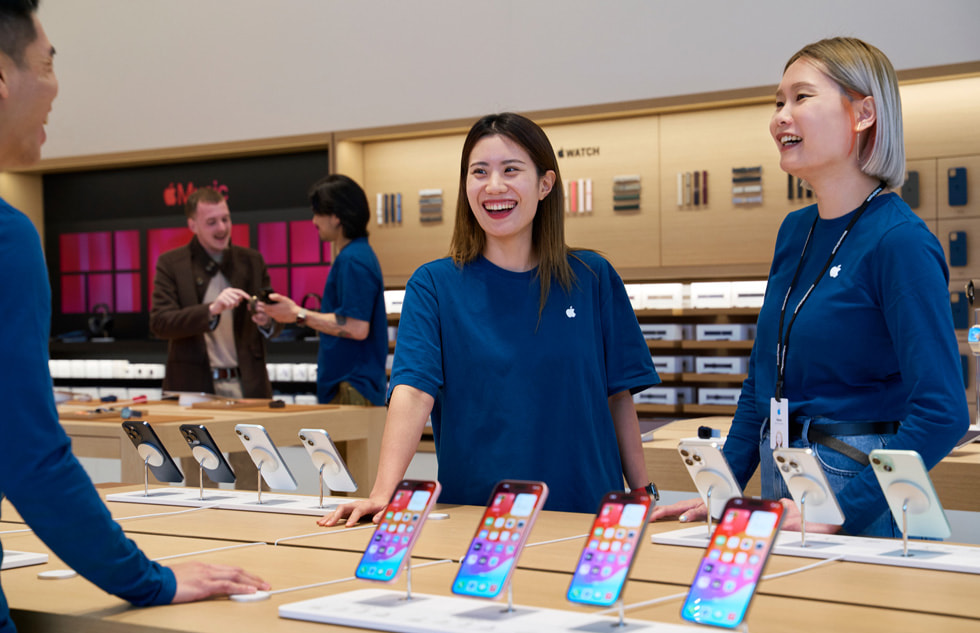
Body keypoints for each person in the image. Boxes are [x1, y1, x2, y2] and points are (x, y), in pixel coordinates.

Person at [0, 2, 267, 633]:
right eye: (47, 63)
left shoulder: (249, 261)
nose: (56, 85)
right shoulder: (8, 238)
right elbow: (29, 454)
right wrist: (147, 579)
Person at [652, 37, 969, 537]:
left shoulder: (900, 242)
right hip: (788, 476)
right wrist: (721, 488)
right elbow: (762, 383)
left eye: (801, 97)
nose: (780, 116)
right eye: (778, 102)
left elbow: (943, 412)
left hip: (858, 489)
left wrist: (842, 511)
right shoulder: (794, 232)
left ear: (863, 113)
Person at [321, 112, 660, 524]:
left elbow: (617, 396)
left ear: (545, 184)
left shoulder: (592, 277)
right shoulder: (434, 285)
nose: (493, 186)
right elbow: (412, 391)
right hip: (478, 517)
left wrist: (643, 495)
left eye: (511, 170)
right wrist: (382, 492)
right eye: (479, 172)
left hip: (586, 512)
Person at [261, 174, 387, 407]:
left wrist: (299, 314)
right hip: (350, 387)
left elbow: (356, 327)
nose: (313, 221)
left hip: (352, 388)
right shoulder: (354, 257)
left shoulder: (353, 260)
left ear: (336, 216)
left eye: (318, 212)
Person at [150, 187, 278, 400]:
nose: (222, 228)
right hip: (192, 390)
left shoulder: (252, 261)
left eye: (225, 220)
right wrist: (210, 311)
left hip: (249, 388)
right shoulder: (172, 264)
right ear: (193, 225)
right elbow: (160, 323)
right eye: (212, 222)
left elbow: (274, 320)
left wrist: (267, 320)